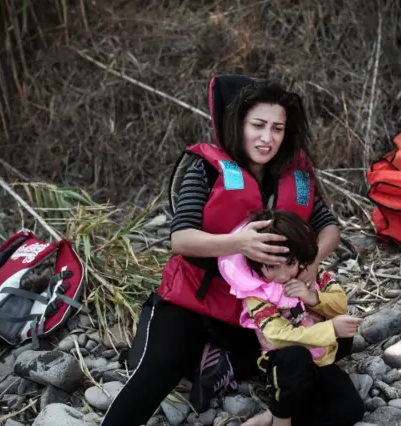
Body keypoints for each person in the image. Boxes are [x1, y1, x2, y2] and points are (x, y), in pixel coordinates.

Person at [100, 75, 343, 426]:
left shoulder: (295, 174)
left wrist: (312, 264)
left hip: (253, 308)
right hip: (193, 298)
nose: (267, 138)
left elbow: (330, 228)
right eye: (258, 125)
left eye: (277, 128)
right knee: (158, 369)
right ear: (239, 124)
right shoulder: (205, 169)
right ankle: (202, 360)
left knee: (337, 345)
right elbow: (180, 239)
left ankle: (230, 369)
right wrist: (239, 243)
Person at [218, 210, 364, 426]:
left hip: (320, 358)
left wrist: (311, 296)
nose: (284, 275)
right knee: (294, 358)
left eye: (290, 263)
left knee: (351, 411)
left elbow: (340, 304)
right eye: (272, 267)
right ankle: (280, 418)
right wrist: (331, 330)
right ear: (257, 264)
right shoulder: (256, 294)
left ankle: (274, 414)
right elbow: (278, 337)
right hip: (282, 362)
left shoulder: (310, 274)